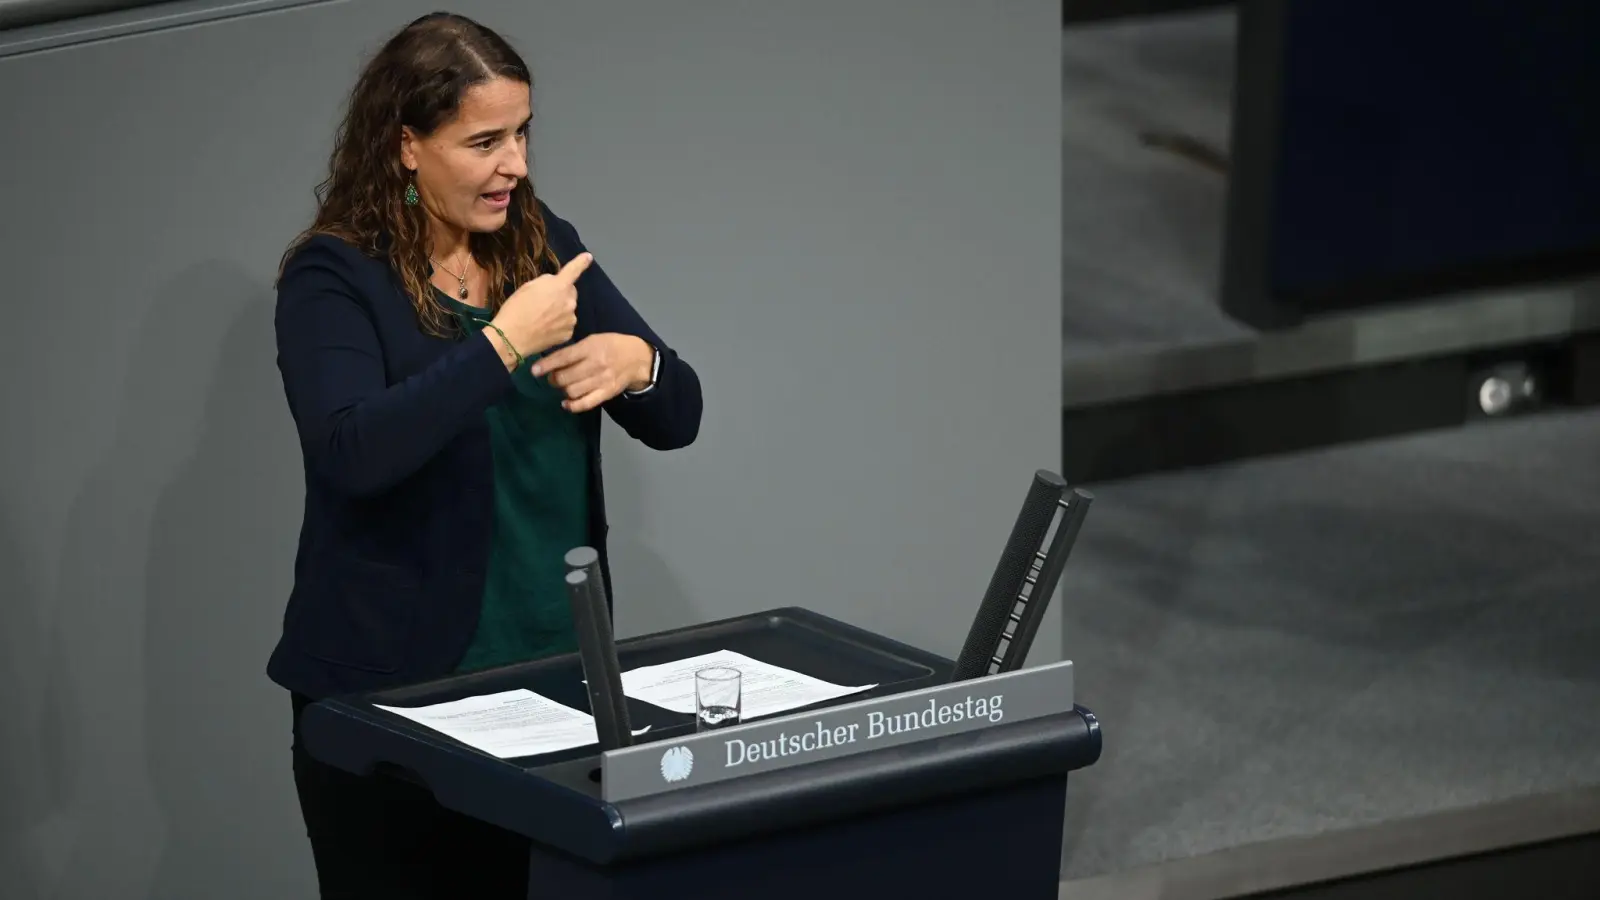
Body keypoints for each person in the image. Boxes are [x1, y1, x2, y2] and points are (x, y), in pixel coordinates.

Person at [265, 11, 702, 899]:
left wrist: (639, 364)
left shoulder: (545, 243)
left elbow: (678, 416)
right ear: (407, 147)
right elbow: (353, 451)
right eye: (486, 140)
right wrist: (503, 345)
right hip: (395, 698)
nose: (517, 165)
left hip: (559, 684)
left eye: (524, 133)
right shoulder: (333, 278)